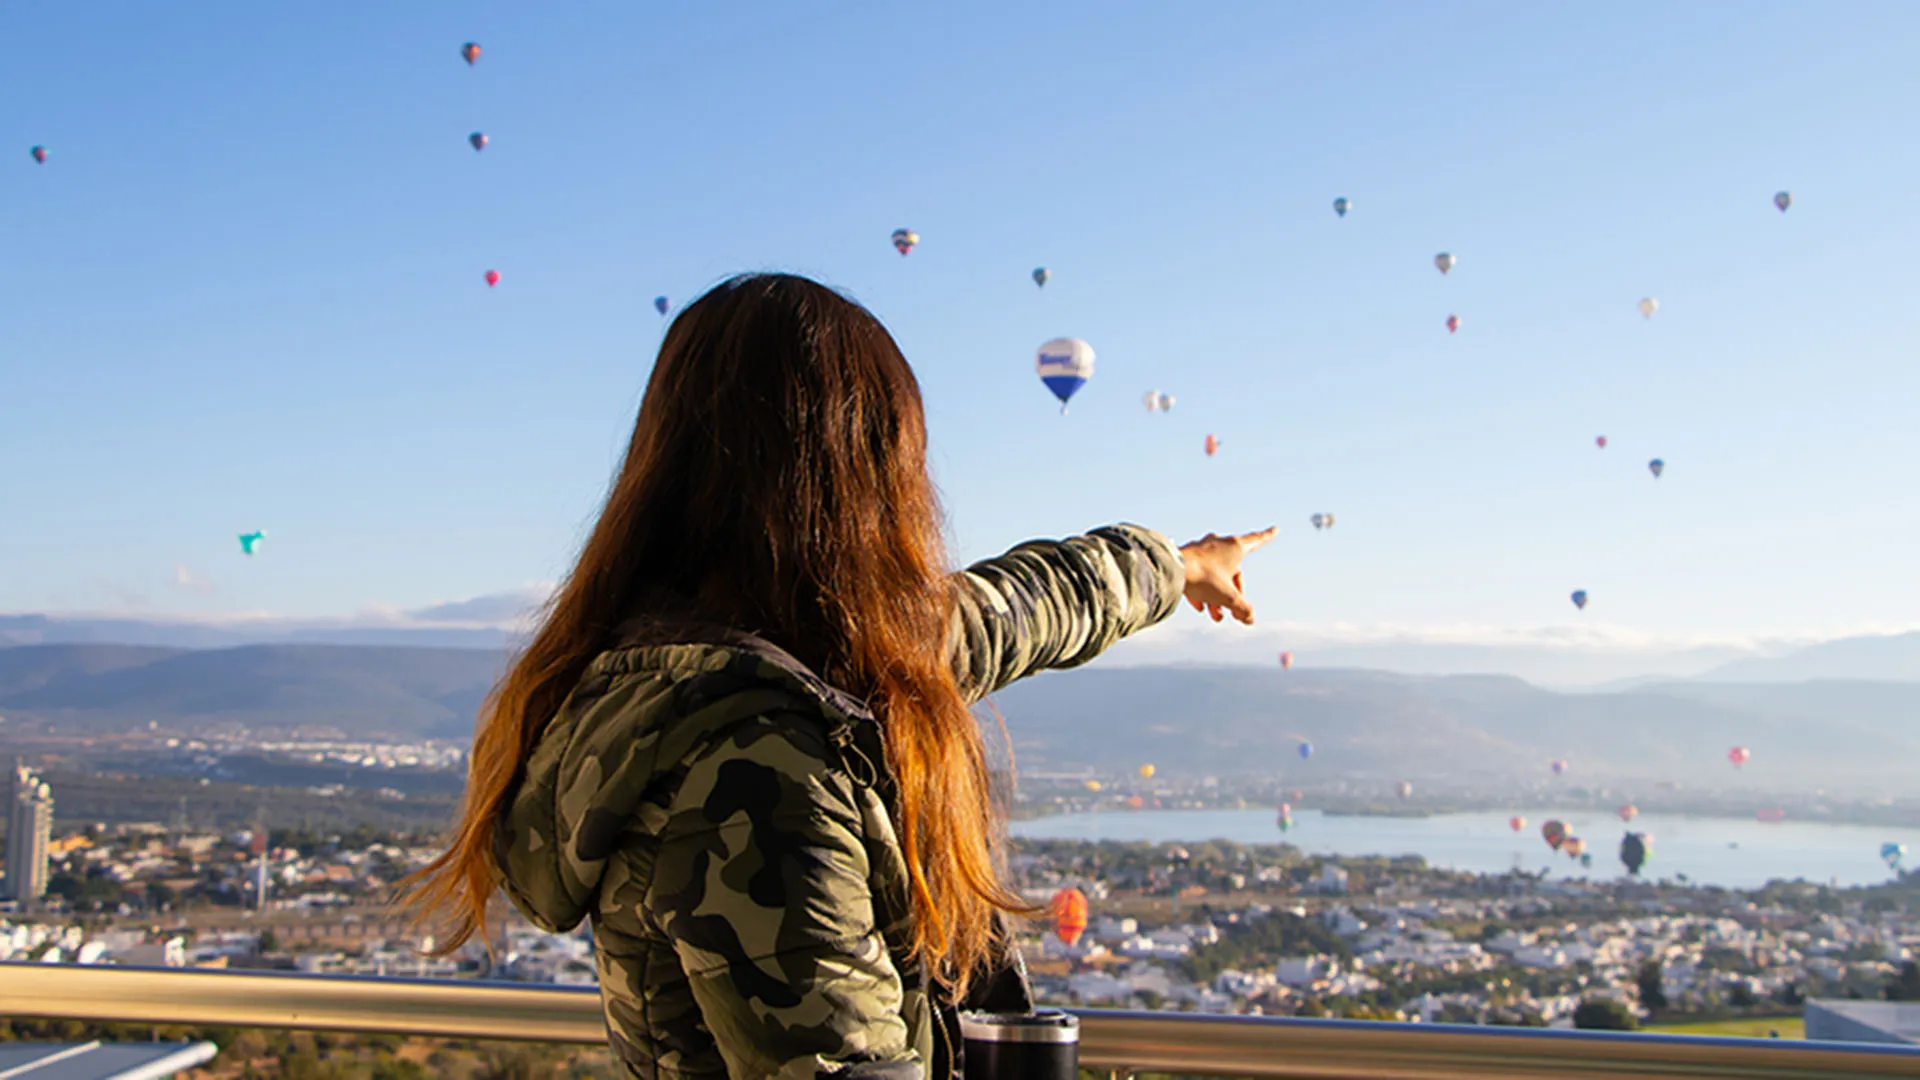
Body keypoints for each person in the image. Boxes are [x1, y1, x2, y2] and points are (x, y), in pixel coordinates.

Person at [405, 274, 1275, 1079]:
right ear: (867, 468)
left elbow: (1021, 606)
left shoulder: (729, 668)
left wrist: (1180, 563)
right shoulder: (755, 763)